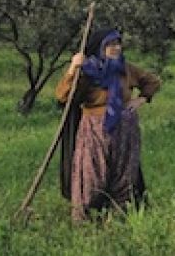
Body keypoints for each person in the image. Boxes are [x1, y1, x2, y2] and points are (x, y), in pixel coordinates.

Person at [56, 28, 161, 222]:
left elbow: (152, 81)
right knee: (92, 174)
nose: (116, 48)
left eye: (117, 44)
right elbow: (63, 96)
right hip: (94, 129)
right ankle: (86, 220)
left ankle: (119, 217)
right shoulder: (86, 71)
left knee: (124, 173)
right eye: (110, 44)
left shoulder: (125, 69)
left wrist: (141, 99)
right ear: (100, 47)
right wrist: (72, 68)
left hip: (125, 129)